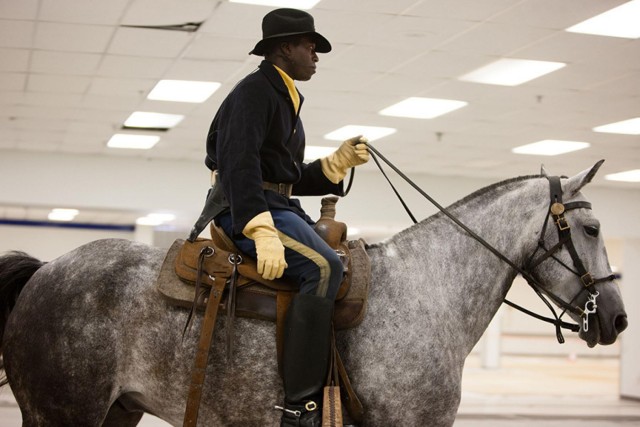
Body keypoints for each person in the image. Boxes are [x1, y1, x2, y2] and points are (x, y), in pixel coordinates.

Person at [202, 7, 369, 427]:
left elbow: (283, 176)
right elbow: (238, 164)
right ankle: (299, 405)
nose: (316, 55)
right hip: (243, 209)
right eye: (309, 47)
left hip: (276, 204)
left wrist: (333, 164)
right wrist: (259, 228)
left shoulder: (282, 94)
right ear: (284, 48)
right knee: (325, 267)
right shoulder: (254, 92)